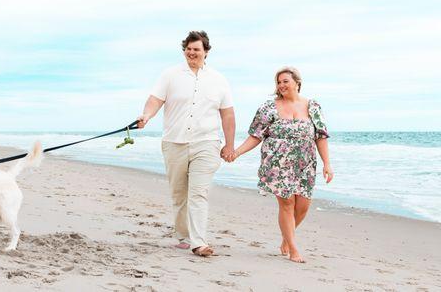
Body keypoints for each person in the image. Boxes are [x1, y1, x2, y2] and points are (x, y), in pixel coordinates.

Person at [137, 31, 236, 257]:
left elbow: (228, 115)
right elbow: (155, 100)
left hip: (207, 143)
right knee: (179, 194)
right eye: (188, 49)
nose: (192, 53)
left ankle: (198, 242)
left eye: (196, 49)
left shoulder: (219, 80)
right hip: (174, 142)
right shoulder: (170, 75)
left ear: (206, 52)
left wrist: (229, 145)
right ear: (184, 50)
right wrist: (146, 115)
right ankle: (183, 235)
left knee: (198, 193)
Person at [232, 66, 333, 263]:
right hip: (277, 161)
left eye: (285, 81)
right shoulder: (268, 107)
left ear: (297, 82)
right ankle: (293, 249)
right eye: (278, 82)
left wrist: (327, 164)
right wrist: (237, 152)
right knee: (287, 204)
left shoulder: (313, 106)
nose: (281, 85)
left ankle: (287, 237)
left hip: (305, 162)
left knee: (303, 206)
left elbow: (321, 137)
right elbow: (255, 136)